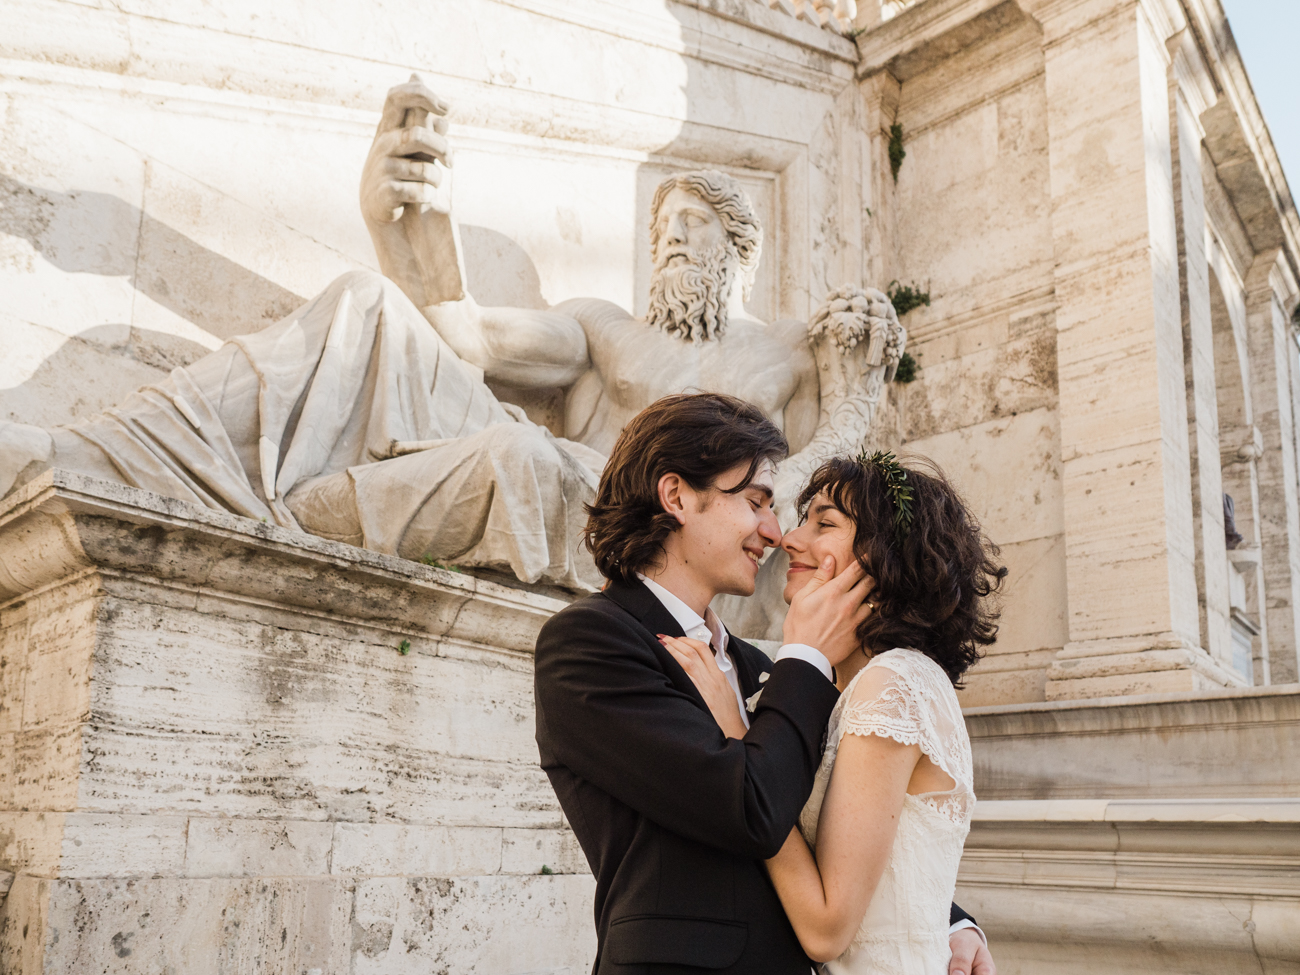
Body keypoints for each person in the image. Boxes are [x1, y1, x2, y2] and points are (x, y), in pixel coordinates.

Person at [534, 394, 994, 975]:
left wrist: (946, 921)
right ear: (676, 496)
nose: (776, 533)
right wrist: (805, 656)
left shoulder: (761, 669)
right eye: (755, 502)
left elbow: (847, 822)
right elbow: (751, 808)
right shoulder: (589, 644)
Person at [663, 452, 1006, 974]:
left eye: (824, 524)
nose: (788, 539)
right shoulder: (838, 688)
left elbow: (826, 929)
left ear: (887, 558)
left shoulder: (893, 683)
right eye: (804, 520)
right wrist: (956, 925)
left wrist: (736, 735)